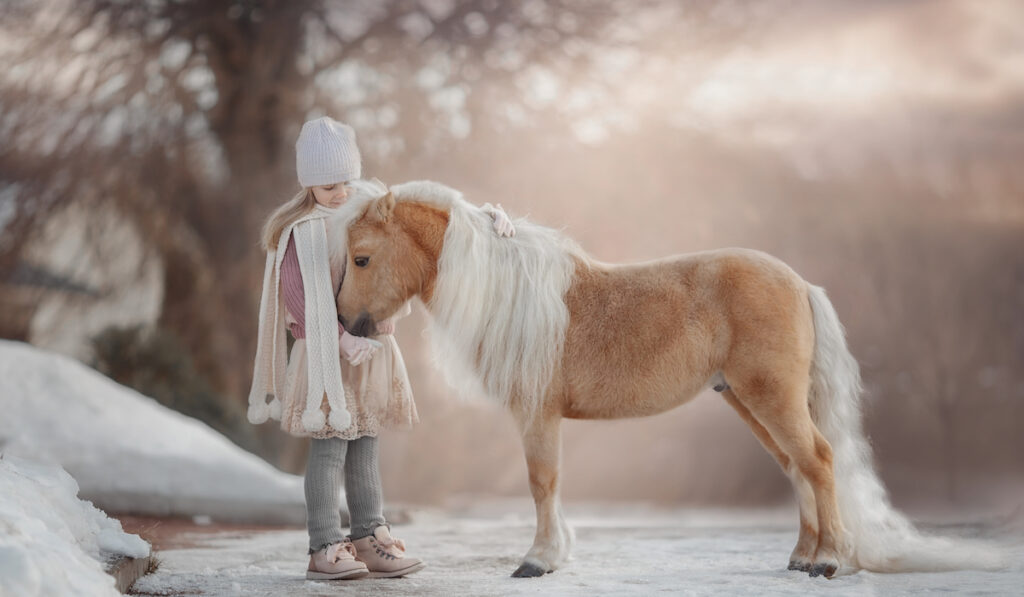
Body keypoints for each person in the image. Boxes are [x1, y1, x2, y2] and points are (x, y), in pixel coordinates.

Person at [247, 116, 515, 581]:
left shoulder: (369, 212)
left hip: (372, 352)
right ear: (308, 183)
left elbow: (431, 217)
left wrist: (488, 218)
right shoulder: (302, 232)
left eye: (345, 182)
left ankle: (370, 536)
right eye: (327, 185)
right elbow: (299, 299)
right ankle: (324, 545)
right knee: (330, 452)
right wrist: (342, 338)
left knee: (366, 448)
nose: (339, 193)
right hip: (328, 353)